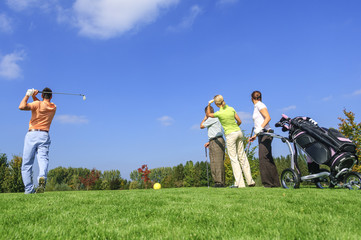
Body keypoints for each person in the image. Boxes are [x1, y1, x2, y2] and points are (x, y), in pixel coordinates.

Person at [206, 95, 255, 188]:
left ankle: (240, 184)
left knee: (234, 158)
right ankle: (250, 181)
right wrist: (235, 128)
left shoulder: (219, 113)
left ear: (216, 104)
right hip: (238, 132)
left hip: (230, 135)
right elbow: (239, 121)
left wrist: (209, 104)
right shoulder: (231, 109)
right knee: (242, 156)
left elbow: (208, 115)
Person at [19, 88, 57, 194]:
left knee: (27, 164)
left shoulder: (37, 104)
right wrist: (33, 96)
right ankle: (42, 177)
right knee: (43, 159)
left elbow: (21, 106)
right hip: (44, 135)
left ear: (42, 96)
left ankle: (29, 189)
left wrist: (28, 95)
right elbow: (41, 105)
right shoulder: (53, 107)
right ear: (51, 96)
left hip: (32, 134)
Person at [249, 91, 280, 187]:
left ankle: (267, 184)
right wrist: (255, 135)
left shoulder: (260, 105)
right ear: (260, 97)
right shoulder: (257, 106)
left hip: (265, 133)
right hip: (262, 134)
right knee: (268, 158)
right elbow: (261, 121)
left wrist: (258, 130)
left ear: (251, 98)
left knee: (263, 158)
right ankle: (275, 183)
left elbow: (268, 118)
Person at [200, 105, 225, 187]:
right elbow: (214, 131)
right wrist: (209, 142)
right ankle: (217, 182)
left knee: (218, 162)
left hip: (216, 140)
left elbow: (201, 126)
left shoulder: (212, 118)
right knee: (213, 162)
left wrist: (205, 118)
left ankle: (220, 182)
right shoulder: (214, 118)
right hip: (213, 140)